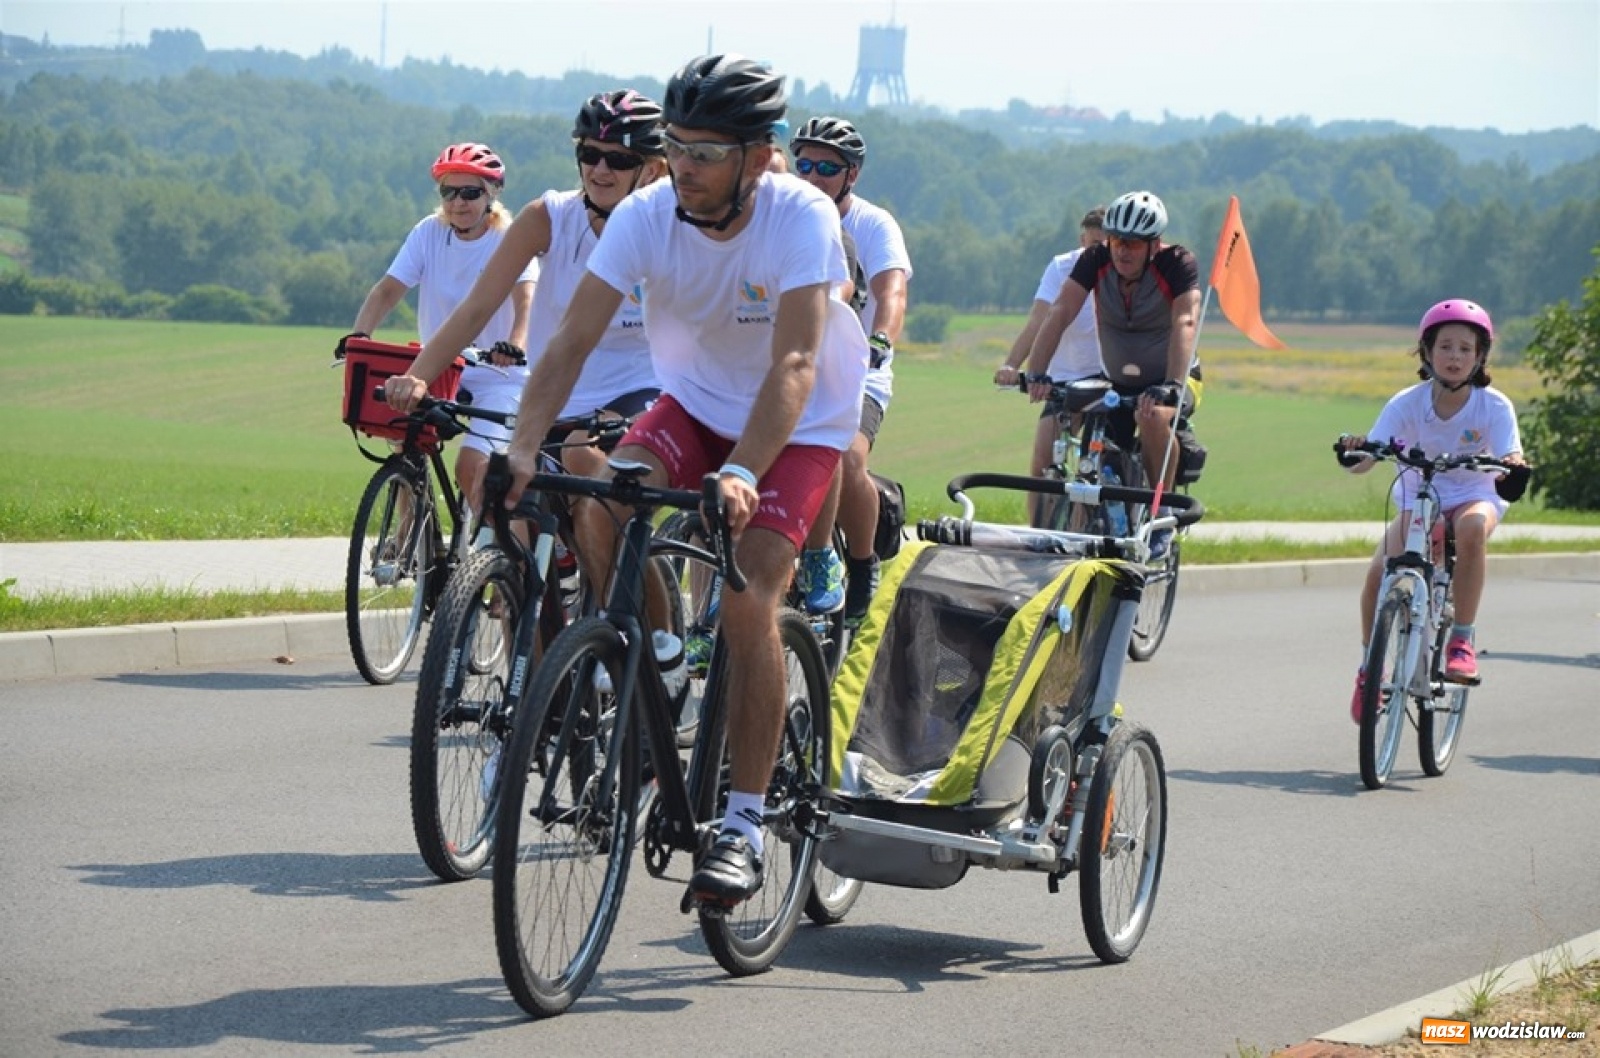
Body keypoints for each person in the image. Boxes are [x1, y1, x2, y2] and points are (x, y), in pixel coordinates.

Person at [388, 54, 868, 904]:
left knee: (753, 599)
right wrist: (525, 446)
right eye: (676, 147)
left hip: (796, 426)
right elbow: (569, 341)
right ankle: (654, 662)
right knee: (606, 493)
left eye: (706, 152)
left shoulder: (799, 218)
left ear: (758, 156)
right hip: (691, 404)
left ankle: (745, 823)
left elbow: (796, 361)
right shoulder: (650, 213)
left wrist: (744, 472)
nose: (683, 166)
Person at [385, 92, 667, 483]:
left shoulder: (670, 227)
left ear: (651, 170)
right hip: (554, 393)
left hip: (635, 389)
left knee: (583, 458)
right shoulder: (547, 218)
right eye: (589, 155)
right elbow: (476, 308)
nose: (600, 170)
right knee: (509, 504)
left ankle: (619, 543)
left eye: (618, 159)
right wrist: (417, 377)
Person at [1337, 299, 1526, 721]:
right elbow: (1370, 453)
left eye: (1465, 348)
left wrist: (1512, 465)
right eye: (1445, 346)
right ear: (1426, 352)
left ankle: (1461, 639)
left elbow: (1511, 455)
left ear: (1480, 357)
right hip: (1420, 497)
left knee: (1473, 529)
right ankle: (1371, 669)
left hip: (1476, 493)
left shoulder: (1494, 406)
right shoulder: (1406, 403)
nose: (1455, 356)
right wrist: (1355, 452)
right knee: (1377, 573)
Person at [340, 142, 537, 515]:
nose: (458, 202)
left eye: (470, 192)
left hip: (499, 373)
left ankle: (486, 555)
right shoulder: (428, 233)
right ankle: (407, 535)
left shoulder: (508, 237)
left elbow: (525, 299)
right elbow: (387, 290)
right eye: (449, 192)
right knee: (405, 439)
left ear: (492, 193)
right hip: (442, 366)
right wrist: (358, 337)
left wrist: (514, 345)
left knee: (471, 468)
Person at [1023, 190, 1201, 557]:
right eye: (1118, 240)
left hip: (1172, 377)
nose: (1123, 250)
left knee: (1150, 414)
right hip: (1116, 380)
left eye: (1134, 244)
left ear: (1154, 244)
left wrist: (1173, 385)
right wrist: (1037, 372)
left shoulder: (1177, 264)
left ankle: (1160, 512)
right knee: (1095, 442)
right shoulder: (1096, 259)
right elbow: (1060, 311)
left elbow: (1185, 320)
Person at [789, 116, 912, 623]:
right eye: (804, 165)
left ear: (851, 176)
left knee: (844, 457)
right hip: (793, 360)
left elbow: (892, 291)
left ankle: (860, 565)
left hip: (856, 366)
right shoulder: (784, 214)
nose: (813, 176)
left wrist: (881, 335)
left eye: (826, 167)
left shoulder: (873, 224)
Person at [995, 207, 1106, 525]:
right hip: (1064, 382)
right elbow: (1038, 320)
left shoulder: (1117, 270)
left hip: (1103, 380)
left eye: (1105, 245)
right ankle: (1036, 537)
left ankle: (1080, 540)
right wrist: (1012, 365)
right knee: (1043, 462)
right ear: (1081, 239)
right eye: (1092, 244)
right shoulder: (1062, 268)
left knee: (1092, 468)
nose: (1097, 252)